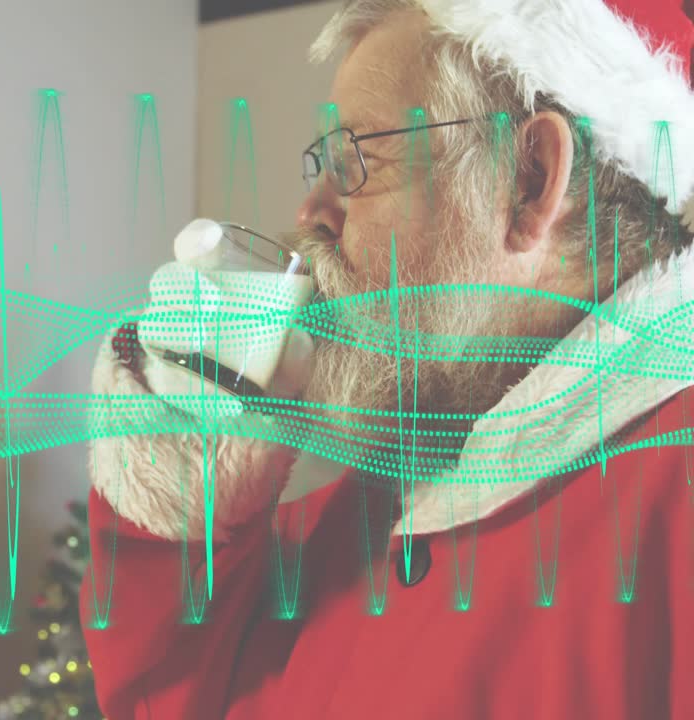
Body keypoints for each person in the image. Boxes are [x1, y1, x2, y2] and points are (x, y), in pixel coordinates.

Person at [80, 0, 694, 718]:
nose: (311, 210)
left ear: (531, 179)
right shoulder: (372, 505)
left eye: (357, 161)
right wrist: (178, 484)